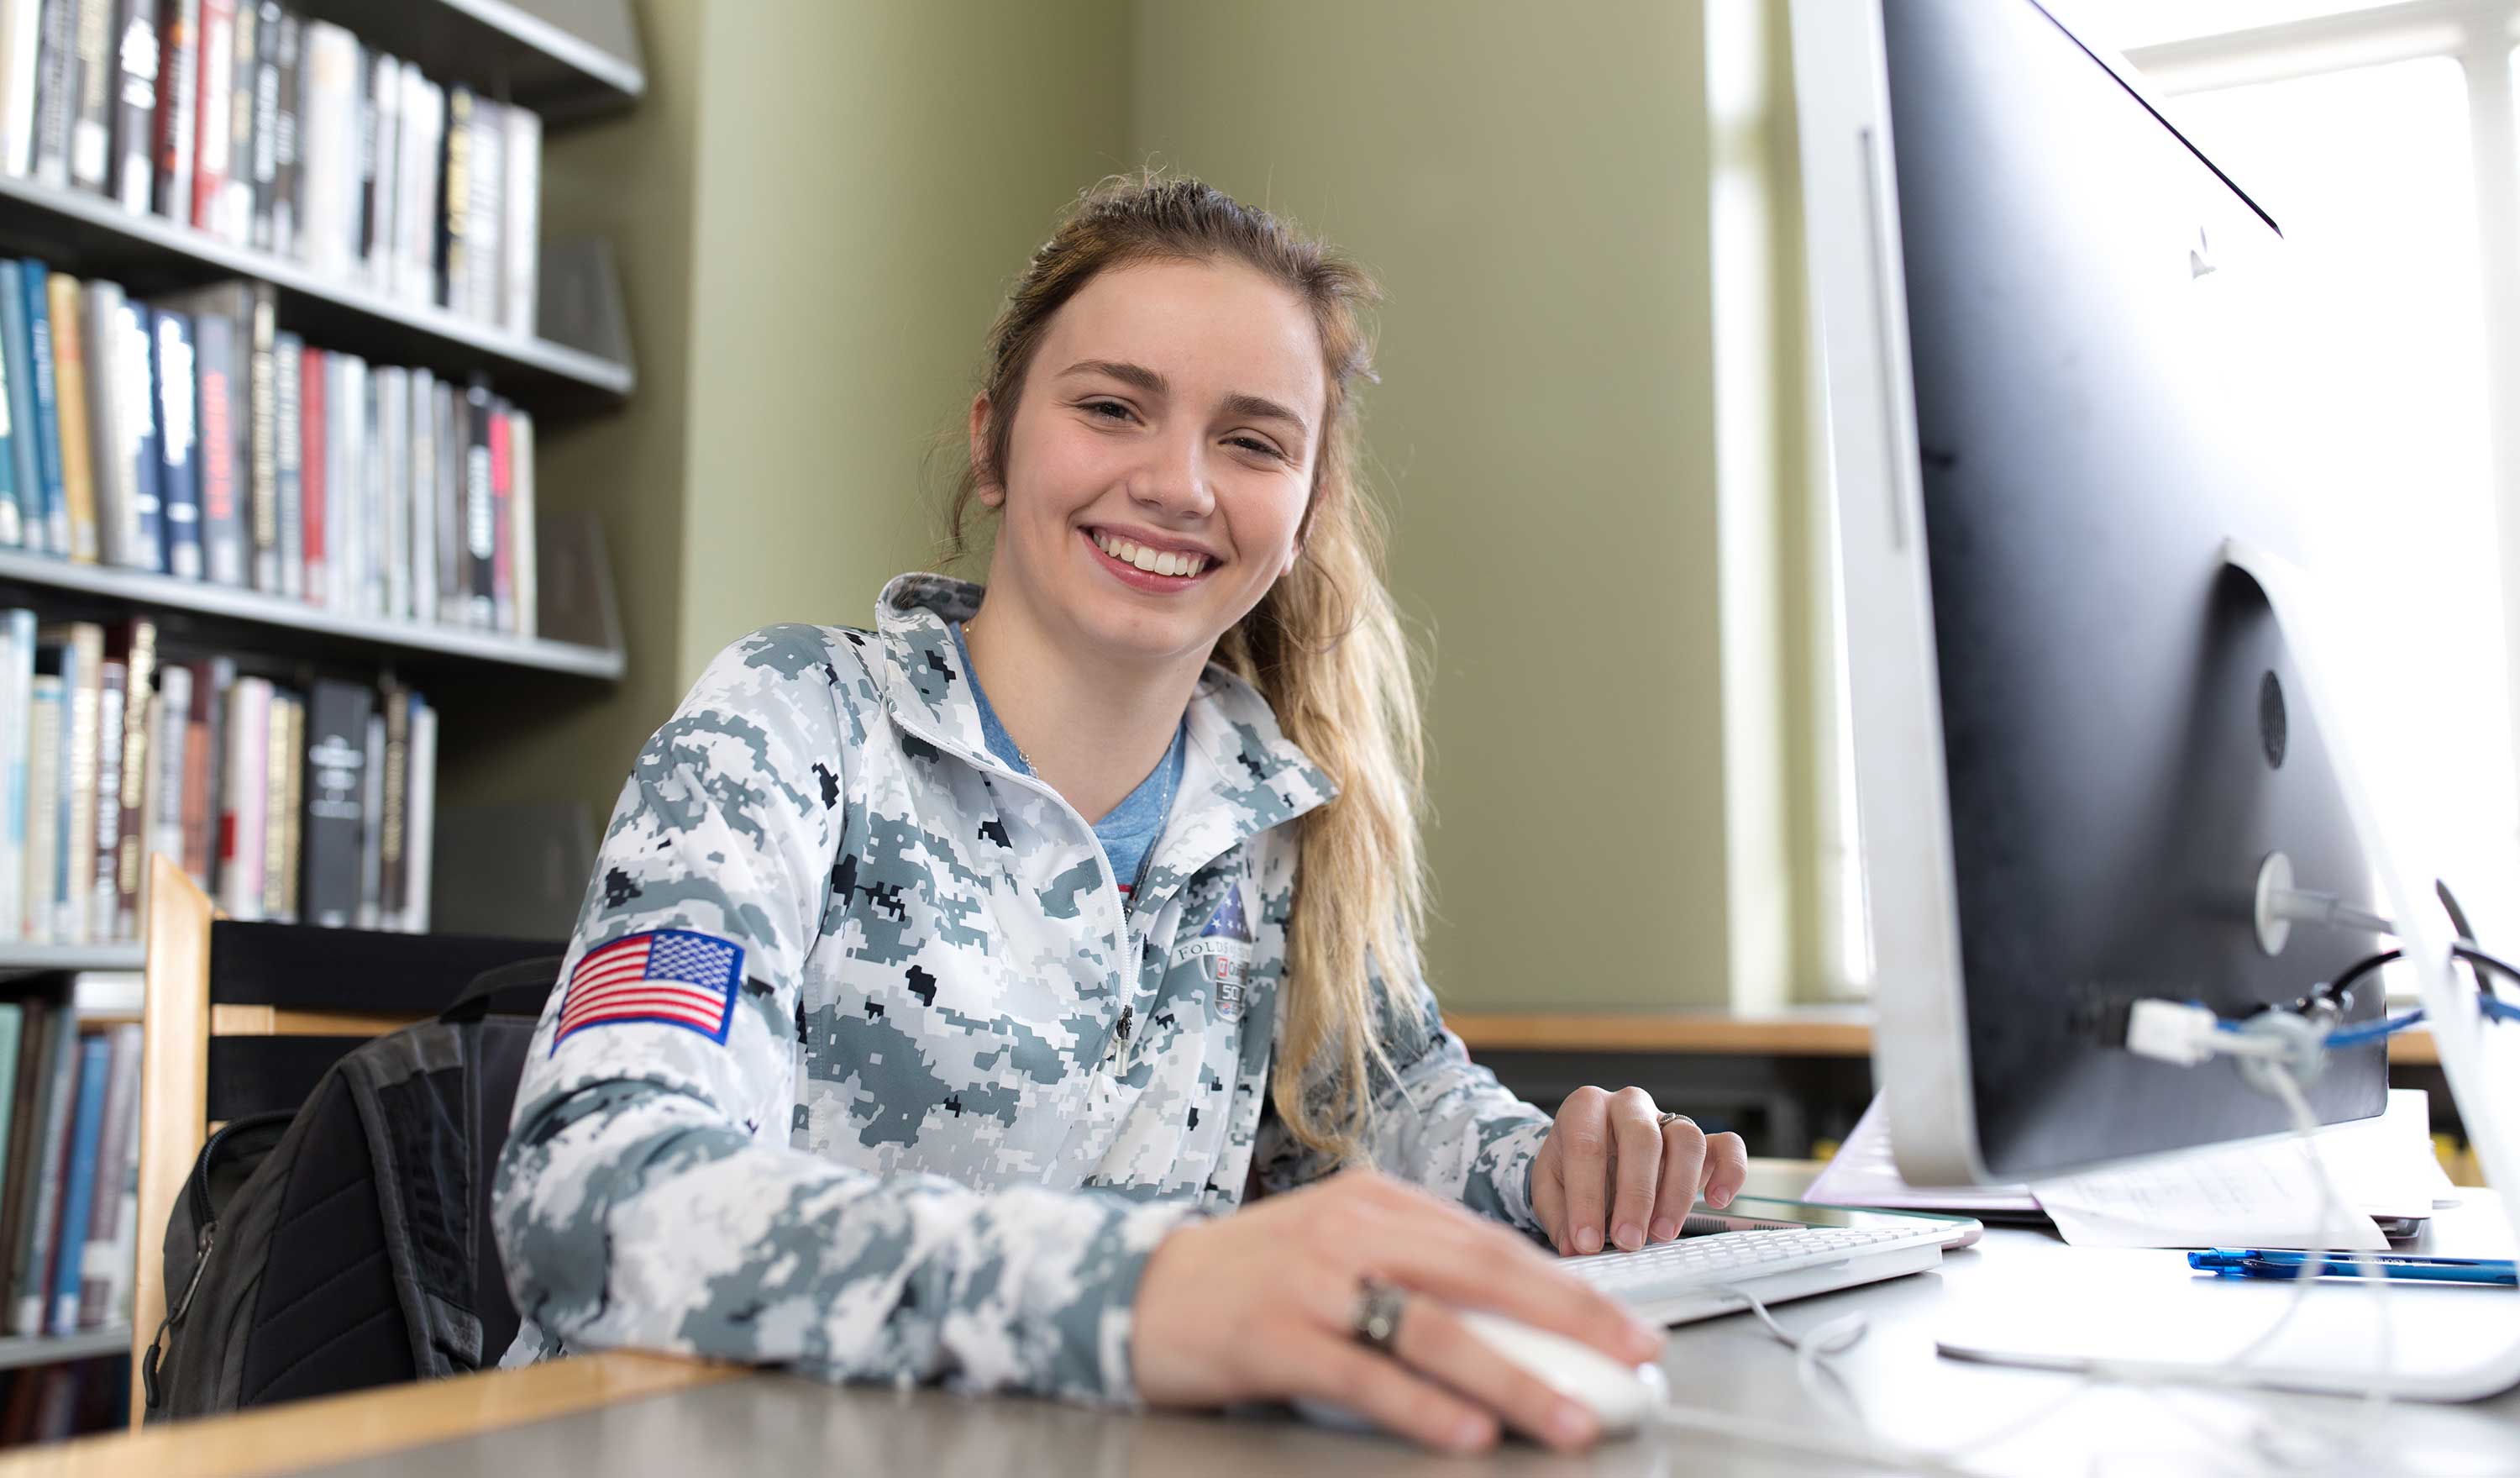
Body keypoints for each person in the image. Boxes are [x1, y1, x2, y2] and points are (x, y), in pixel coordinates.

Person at [492, 173, 1750, 1456]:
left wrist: (1556, 1171)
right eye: (1112, 408)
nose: (1178, 484)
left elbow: (1397, 1107)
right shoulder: (789, 722)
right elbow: (593, 1189)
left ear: (1305, 514)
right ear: (992, 443)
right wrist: (1139, 1296)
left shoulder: (1278, 821)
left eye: (1253, 441)